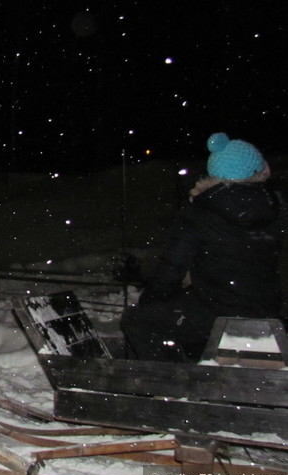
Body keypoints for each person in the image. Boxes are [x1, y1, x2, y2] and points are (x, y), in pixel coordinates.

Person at [121, 132, 283, 362]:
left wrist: (150, 302)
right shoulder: (275, 208)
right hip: (267, 312)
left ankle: (176, 387)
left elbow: (170, 271)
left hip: (216, 313)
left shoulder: (201, 212)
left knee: (137, 320)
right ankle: (203, 367)